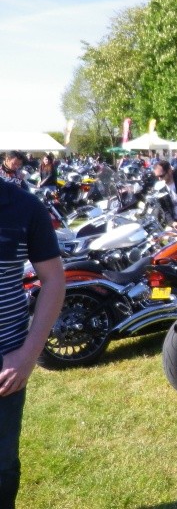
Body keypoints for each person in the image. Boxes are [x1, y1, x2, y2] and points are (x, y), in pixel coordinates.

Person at [0, 178, 65, 507]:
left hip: (5, 364)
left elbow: (53, 280)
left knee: (1, 467)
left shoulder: (25, 207)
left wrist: (28, 354)